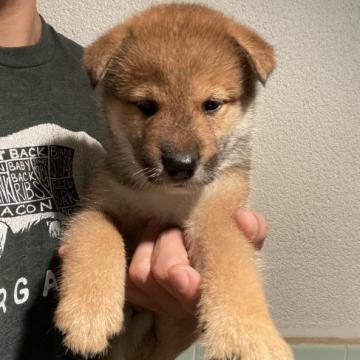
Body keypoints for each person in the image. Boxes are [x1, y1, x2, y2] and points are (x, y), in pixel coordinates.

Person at [0, 1, 267, 359]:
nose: (182, 151)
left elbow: (218, 229)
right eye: (147, 106)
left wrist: (177, 325)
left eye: (211, 105)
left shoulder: (74, 68)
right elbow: (97, 218)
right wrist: (95, 278)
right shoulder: (108, 75)